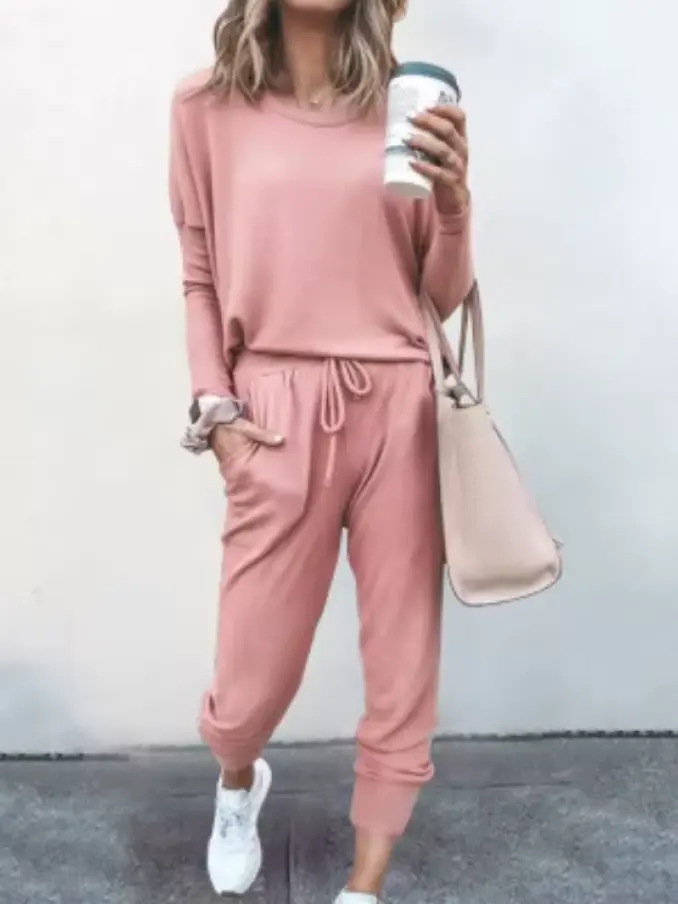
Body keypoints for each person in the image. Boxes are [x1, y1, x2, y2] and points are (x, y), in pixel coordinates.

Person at [169, 0, 473, 900]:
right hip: (274, 410)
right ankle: (237, 778)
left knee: (403, 662)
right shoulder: (204, 107)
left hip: (401, 403)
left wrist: (456, 205)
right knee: (249, 677)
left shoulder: (412, 101)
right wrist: (219, 412)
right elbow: (198, 272)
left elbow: (440, 296)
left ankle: (365, 886)